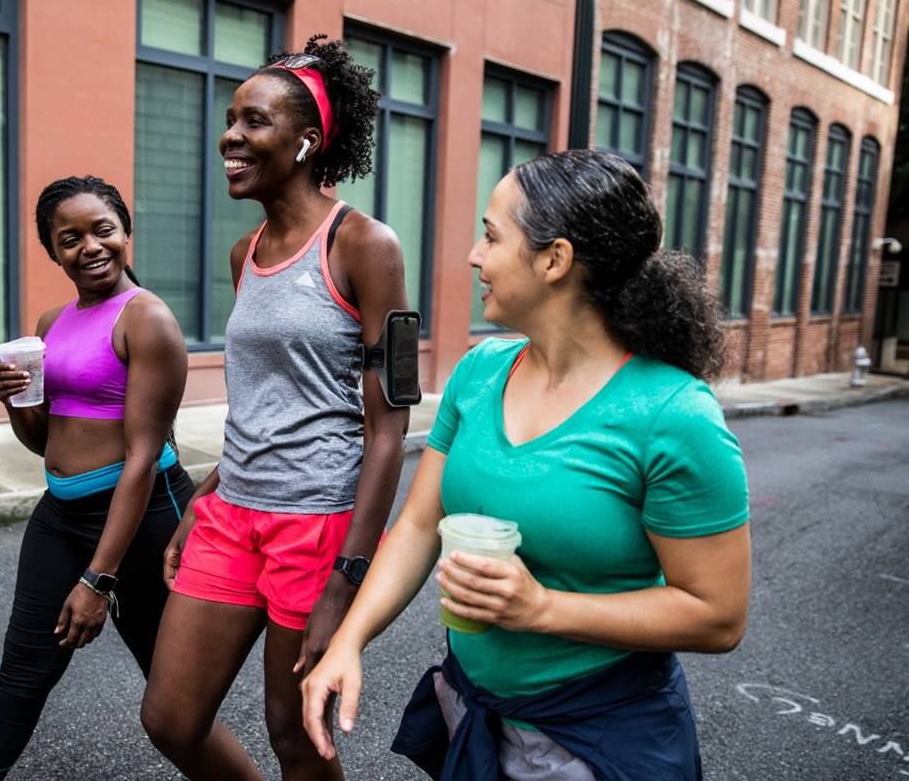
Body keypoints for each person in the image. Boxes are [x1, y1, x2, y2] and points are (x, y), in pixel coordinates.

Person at [302, 150, 751, 781]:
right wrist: (349, 639)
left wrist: (541, 608)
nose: (474, 256)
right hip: (476, 708)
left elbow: (718, 615)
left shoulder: (674, 415)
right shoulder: (480, 372)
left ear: (554, 260)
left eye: (491, 235)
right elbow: (421, 525)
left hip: (599, 736)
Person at [139, 35, 411, 780]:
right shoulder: (245, 251)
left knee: (296, 736)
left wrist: (348, 577)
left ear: (307, 141)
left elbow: (390, 425)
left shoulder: (366, 245)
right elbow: (270, 395)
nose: (231, 135)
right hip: (235, 513)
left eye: (253, 121)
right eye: (231, 119)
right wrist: (211, 489)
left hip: (318, 525)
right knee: (170, 718)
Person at [0, 176, 192, 780]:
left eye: (102, 230)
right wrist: (13, 400)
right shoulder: (51, 322)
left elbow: (141, 457)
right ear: (53, 251)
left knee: (173, 704)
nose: (90, 246)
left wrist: (98, 579)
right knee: (22, 673)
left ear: (124, 232)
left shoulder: (148, 320)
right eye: (70, 238)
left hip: (141, 519)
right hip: (61, 514)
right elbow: (44, 442)